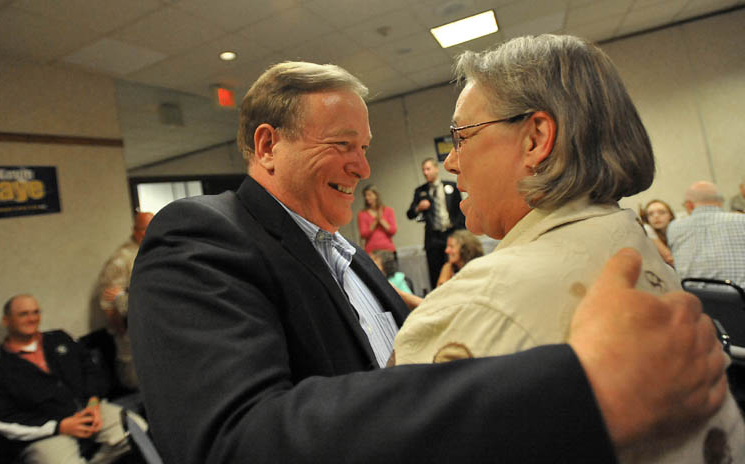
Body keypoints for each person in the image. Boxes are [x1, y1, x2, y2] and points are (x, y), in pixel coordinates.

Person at [128, 60, 727, 464]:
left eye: (364, 148)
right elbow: (232, 442)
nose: (363, 169)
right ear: (267, 146)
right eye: (342, 146)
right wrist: (579, 386)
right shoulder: (202, 233)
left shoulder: (344, 252)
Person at [391, 35, 744, 463]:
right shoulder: (625, 235)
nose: (451, 160)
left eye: (462, 135)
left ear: (536, 138)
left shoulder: (482, 301)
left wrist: (441, 317)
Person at [0, 294, 146, 463]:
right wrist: (59, 426)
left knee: (137, 431)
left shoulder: (60, 338)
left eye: (35, 312)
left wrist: (93, 402)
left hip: (90, 411)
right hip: (46, 434)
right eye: (23, 314)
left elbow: (91, 370)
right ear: (6, 320)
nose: (32, 318)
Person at [93, 211, 152, 390]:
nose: (150, 233)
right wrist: (123, 332)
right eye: (145, 229)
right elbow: (109, 303)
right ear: (135, 230)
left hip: (154, 332)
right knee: (140, 385)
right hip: (132, 338)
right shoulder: (122, 259)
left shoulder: (154, 251)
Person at [668, 180, 745, 287]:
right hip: (739, 297)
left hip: (698, 298)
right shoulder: (741, 221)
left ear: (689, 205)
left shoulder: (674, 227)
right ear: (721, 202)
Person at [406, 158, 465, 289]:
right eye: (423, 170)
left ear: (436, 169)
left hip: (452, 235)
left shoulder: (451, 187)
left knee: (458, 269)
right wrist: (418, 208)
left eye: (428, 169)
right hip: (433, 239)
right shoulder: (420, 191)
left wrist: (461, 233)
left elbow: (460, 211)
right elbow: (410, 214)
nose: (425, 173)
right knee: (436, 274)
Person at [357, 184, 398, 253]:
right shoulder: (362, 214)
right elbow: (363, 234)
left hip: (388, 249)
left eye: (369, 195)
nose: (367, 198)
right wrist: (375, 221)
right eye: (365, 196)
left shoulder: (388, 210)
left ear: (376, 195)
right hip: (371, 251)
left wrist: (381, 220)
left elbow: (393, 231)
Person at [642, 199, 675, 266]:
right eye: (650, 214)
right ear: (647, 218)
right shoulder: (647, 231)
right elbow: (669, 258)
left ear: (670, 215)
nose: (656, 216)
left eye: (661, 212)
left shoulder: (678, 231)